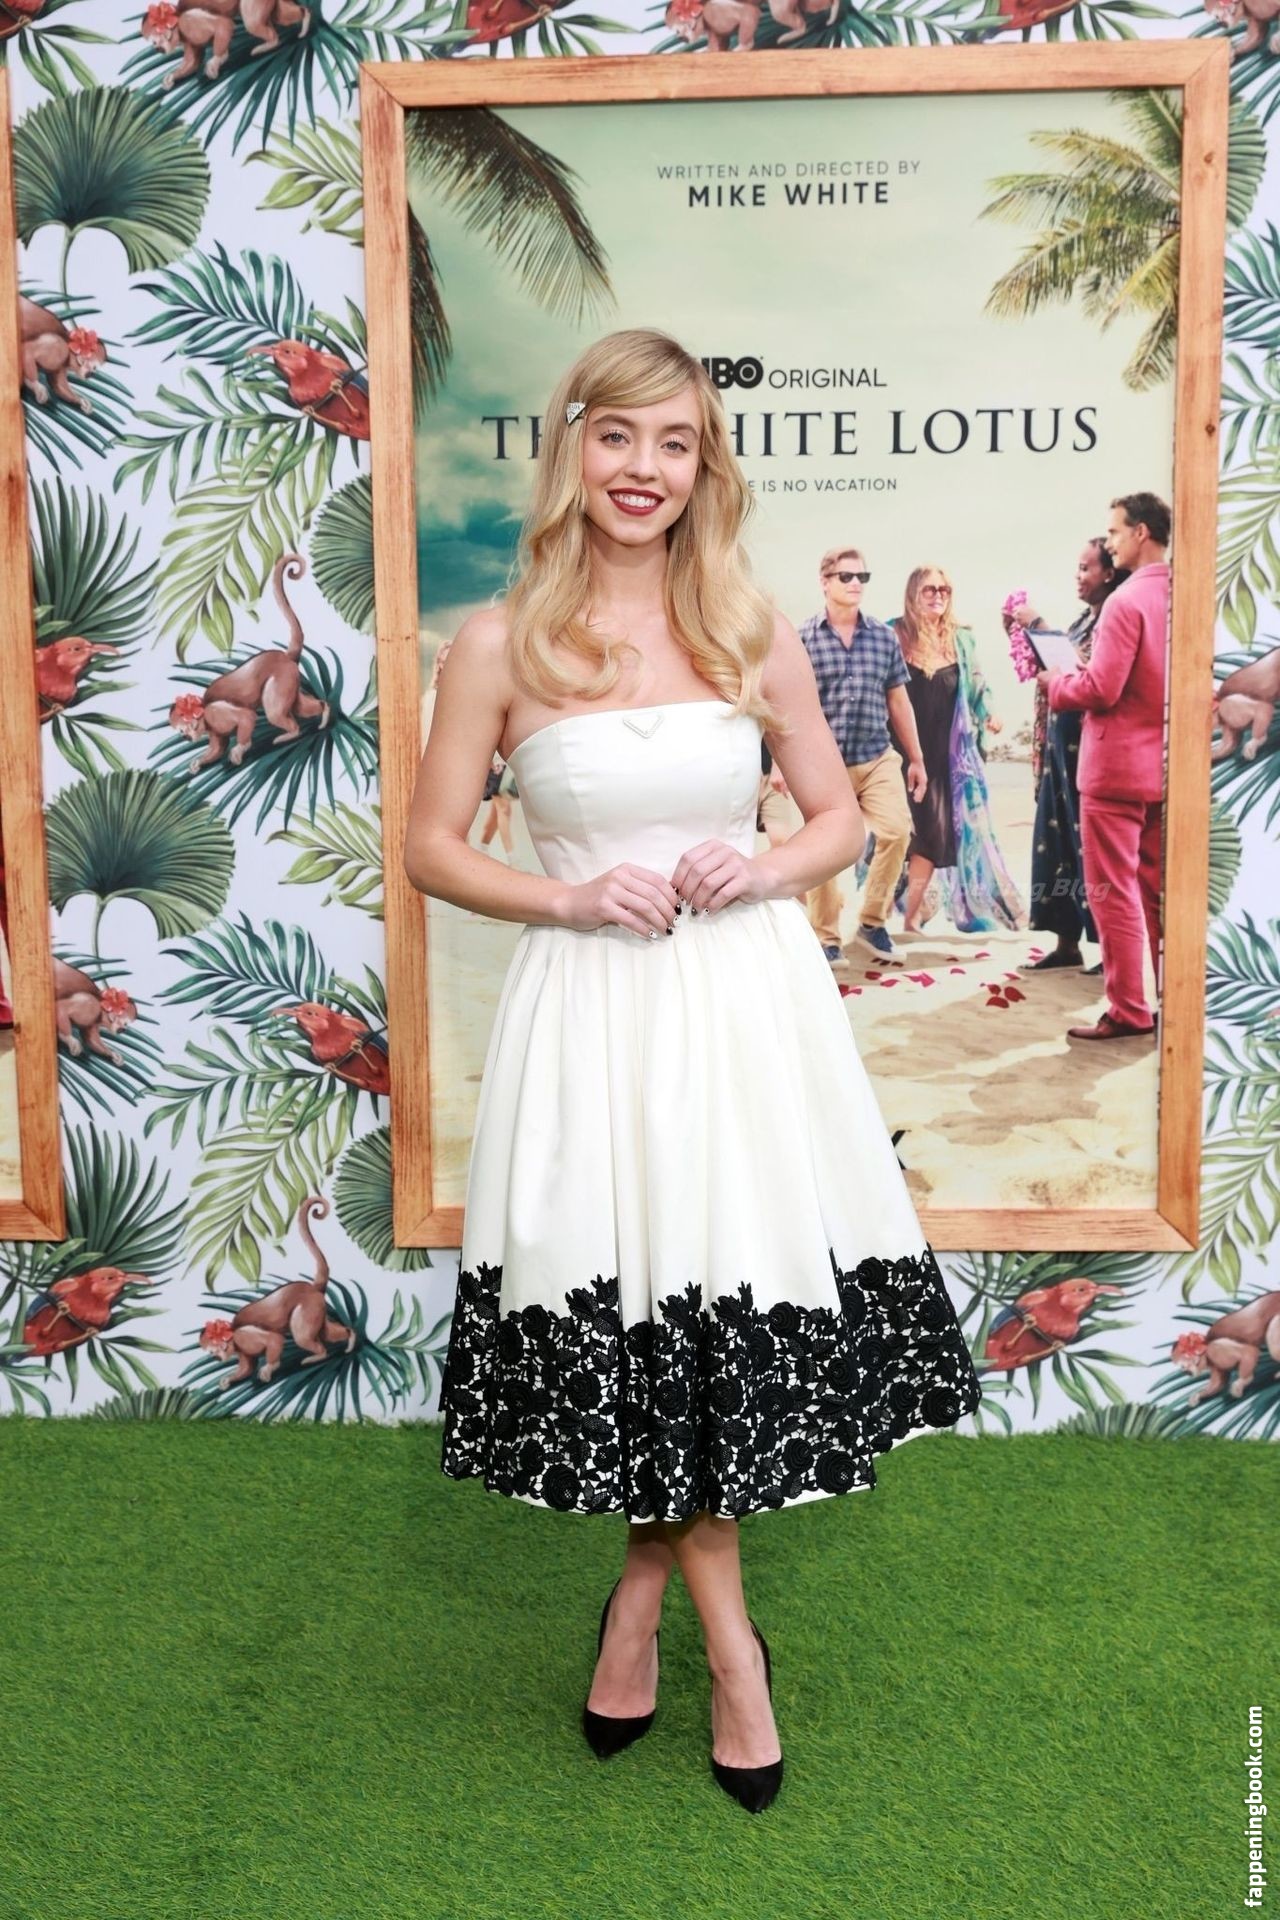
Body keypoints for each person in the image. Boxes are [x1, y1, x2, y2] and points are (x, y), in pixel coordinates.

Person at [403, 328, 982, 1816]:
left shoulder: (746, 626)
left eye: (674, 443)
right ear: (572, 447)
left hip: (740, 1010)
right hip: (591, 1012)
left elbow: (838, 821)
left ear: (702, 466)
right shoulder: (497, 645)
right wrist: (569, 895)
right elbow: (432, 848)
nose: (643, 469)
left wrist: (759, 867)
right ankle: (731, 1647)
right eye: (617, 436)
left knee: (710, 1303)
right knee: (641, 1305)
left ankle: (651, 1612)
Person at [1039, 493, 1170, 1040]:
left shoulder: (1125, 600)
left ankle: (1129, 1010)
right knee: (1158, 895)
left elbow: (1101, 688)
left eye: (1114, 532)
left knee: (1113, 895)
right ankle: (1171, 1002)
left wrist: (1056, 683)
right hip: (1166, 767)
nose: (1109, 542)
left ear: (1141, 533)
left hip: (1115, 771)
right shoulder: (1183, 593)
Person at [799, 547, 927, 963]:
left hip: (876, 757)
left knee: (897, 832)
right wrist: (783, 764)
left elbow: (898, 700)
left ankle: (872, 922)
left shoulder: (882, 637)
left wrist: (916, 758)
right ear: (825, 582)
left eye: (862, 577)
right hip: (824, 764)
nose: (856, 583)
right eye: (846, 576)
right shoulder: (803, 639)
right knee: (823, 848)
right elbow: (792, 706)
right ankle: (826, 937)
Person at [1012, 539, 1129, 974]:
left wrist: (1040, 624)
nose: (1079, 576)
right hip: (1060, 751)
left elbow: (1091, 670)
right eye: (1077, 568)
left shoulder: (1115, 617)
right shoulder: (1083, 620)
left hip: (1091, 751)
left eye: (1086, 568)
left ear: (1108, 573)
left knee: (1089, 851)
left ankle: (1109, 952)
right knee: (1057, 841)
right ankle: (1067, 944)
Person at [888, 567, 1025, 935]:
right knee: (894, 835)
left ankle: (911, 918)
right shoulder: (893, 633)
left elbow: (977, 684)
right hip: (898, 753)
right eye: (930, 589)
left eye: (945, 589)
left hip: (945, 758)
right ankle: (881, 912)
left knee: (930, 837)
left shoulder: (961, 639)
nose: (939, 595)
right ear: (913, 593)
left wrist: (989, 713)